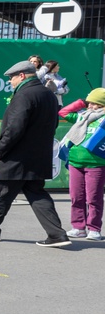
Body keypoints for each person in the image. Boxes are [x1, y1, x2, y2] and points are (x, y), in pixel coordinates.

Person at [0, 60, 71, 248]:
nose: (10, 82)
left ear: (21, 75)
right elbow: (53, 124)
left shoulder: (24, 95)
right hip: (38, 157)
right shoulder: (48, 94)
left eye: (11, 78)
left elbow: (14, 128)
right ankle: (57, 234)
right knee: (37, 194)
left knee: (2, 192)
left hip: (15, 157)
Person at [58, 89, 105, 240]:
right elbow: (63, 112)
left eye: (94, 103)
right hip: (75, 162)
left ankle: (94, 229)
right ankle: (78, 227)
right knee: (76, 197)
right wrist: (82, 103)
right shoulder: (81, 117)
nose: (90, 106)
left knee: (93, 198)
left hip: (96, 164)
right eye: (89, 103)